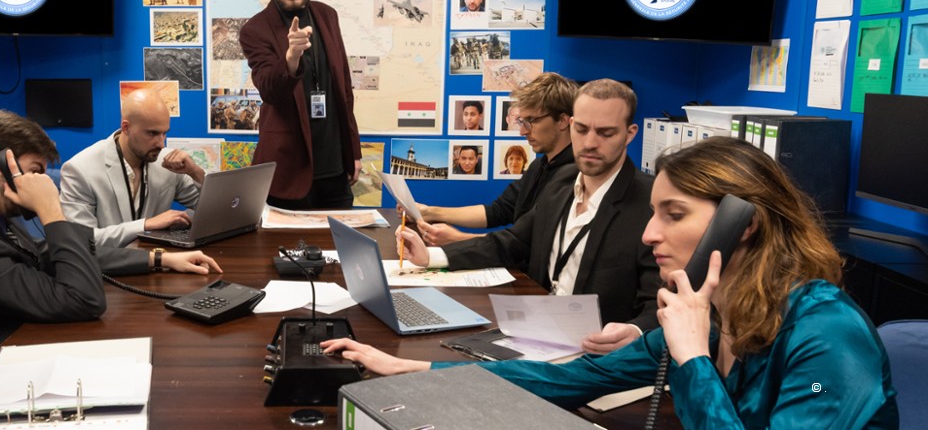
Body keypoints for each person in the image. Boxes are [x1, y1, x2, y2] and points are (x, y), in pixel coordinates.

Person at [323, 136, 899, 428]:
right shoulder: (707, 313)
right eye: (653, 212)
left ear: (742, 224)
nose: (649, 234)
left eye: (673, 215)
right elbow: (573, 378)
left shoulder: (826, 336)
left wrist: (694, 360)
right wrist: (415, 371)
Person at [0, 110, 220, 366]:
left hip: (29, 340)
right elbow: (84, 300)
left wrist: (160, 259)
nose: (41, 182)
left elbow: (57, 254)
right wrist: (51, 212)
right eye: (34, 172)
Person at [406, 79, 658, 352]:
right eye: (582, 129)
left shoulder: (651, 203)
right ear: (571, 124)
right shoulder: (560, 184)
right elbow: (512, 241)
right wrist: (430, 257)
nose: (590, 143)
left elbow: (660, 300)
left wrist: (636, 330)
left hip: (597, 354)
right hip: (537, 334)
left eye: (606, 133)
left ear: (630, 134)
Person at [240, 0, 361, 209]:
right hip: (287, 174)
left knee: (339, 237)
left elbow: (344, 89)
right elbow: (269, 90)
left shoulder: (328, 16)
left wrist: (354, 151)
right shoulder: (255, 29)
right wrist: (291, 58)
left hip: (335, 170)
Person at [416, 72, 579, 246]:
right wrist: (430, 212)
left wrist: (458, 238)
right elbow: (499, 210)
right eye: (522, 121)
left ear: (563, 121)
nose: (523, 131)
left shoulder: (576, 176)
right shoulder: (540, 165)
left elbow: (532, 244)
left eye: (531, 121)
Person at [60, 88, 205, 248]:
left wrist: (195, 172)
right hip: (109, 263)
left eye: (164, 133)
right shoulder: (80, 169)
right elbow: (81, 240)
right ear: (126, 128)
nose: (161, 144)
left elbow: (214, 210)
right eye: (152, 133)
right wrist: (145, 225)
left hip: (157, 259)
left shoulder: (167, 162)